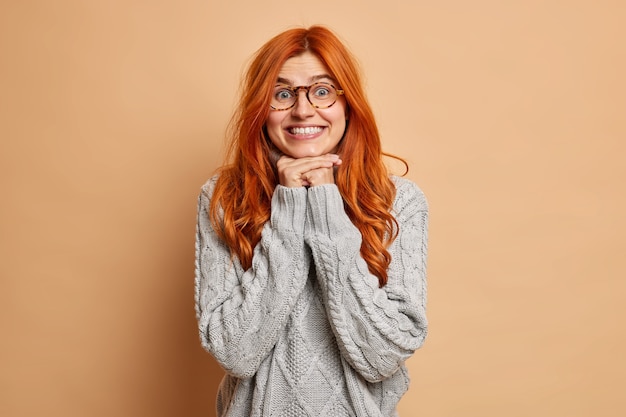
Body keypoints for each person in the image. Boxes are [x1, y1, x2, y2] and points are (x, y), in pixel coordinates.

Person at [194, 25, 428, 417]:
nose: (303, 110)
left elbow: (383, 356)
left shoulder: (399, 201)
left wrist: (324, 205)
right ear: (260, 109)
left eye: (322, 91)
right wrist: (288, 208)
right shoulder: (224, 197)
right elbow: (235, 352)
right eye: (282, 94)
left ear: (348, 104)